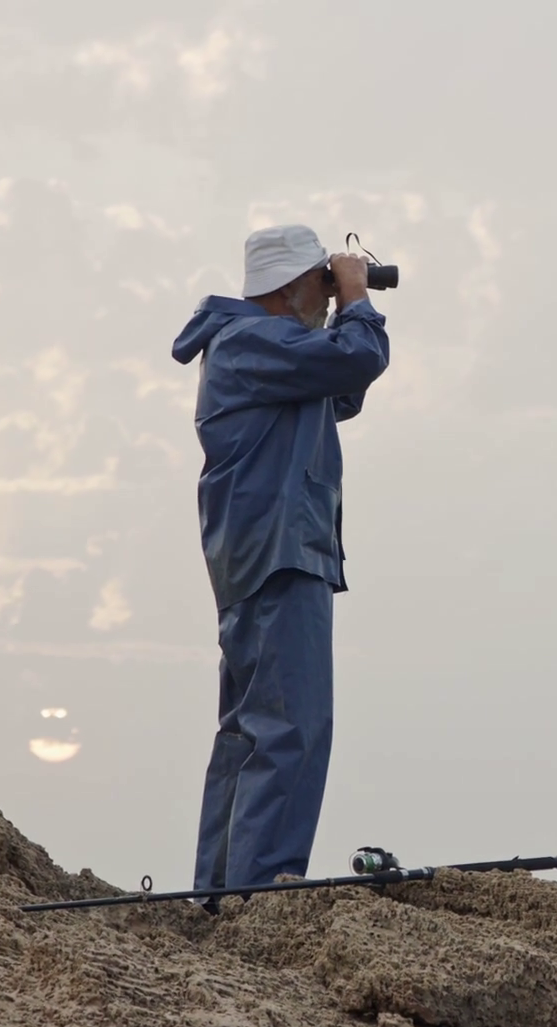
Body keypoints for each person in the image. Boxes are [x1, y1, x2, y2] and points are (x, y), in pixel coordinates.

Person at [169, 223, 390, 903]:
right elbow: (358, 359)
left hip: (255, 555)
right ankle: (260, 889)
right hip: (280, 554)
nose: (326, 294)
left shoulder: (254, 348)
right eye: (318, 282)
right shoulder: (251, 341)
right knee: (292, 726)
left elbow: (341, 389)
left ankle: (221, 894)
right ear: (290, 286)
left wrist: (343, 308)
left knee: (247, 733)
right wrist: (357, 300)